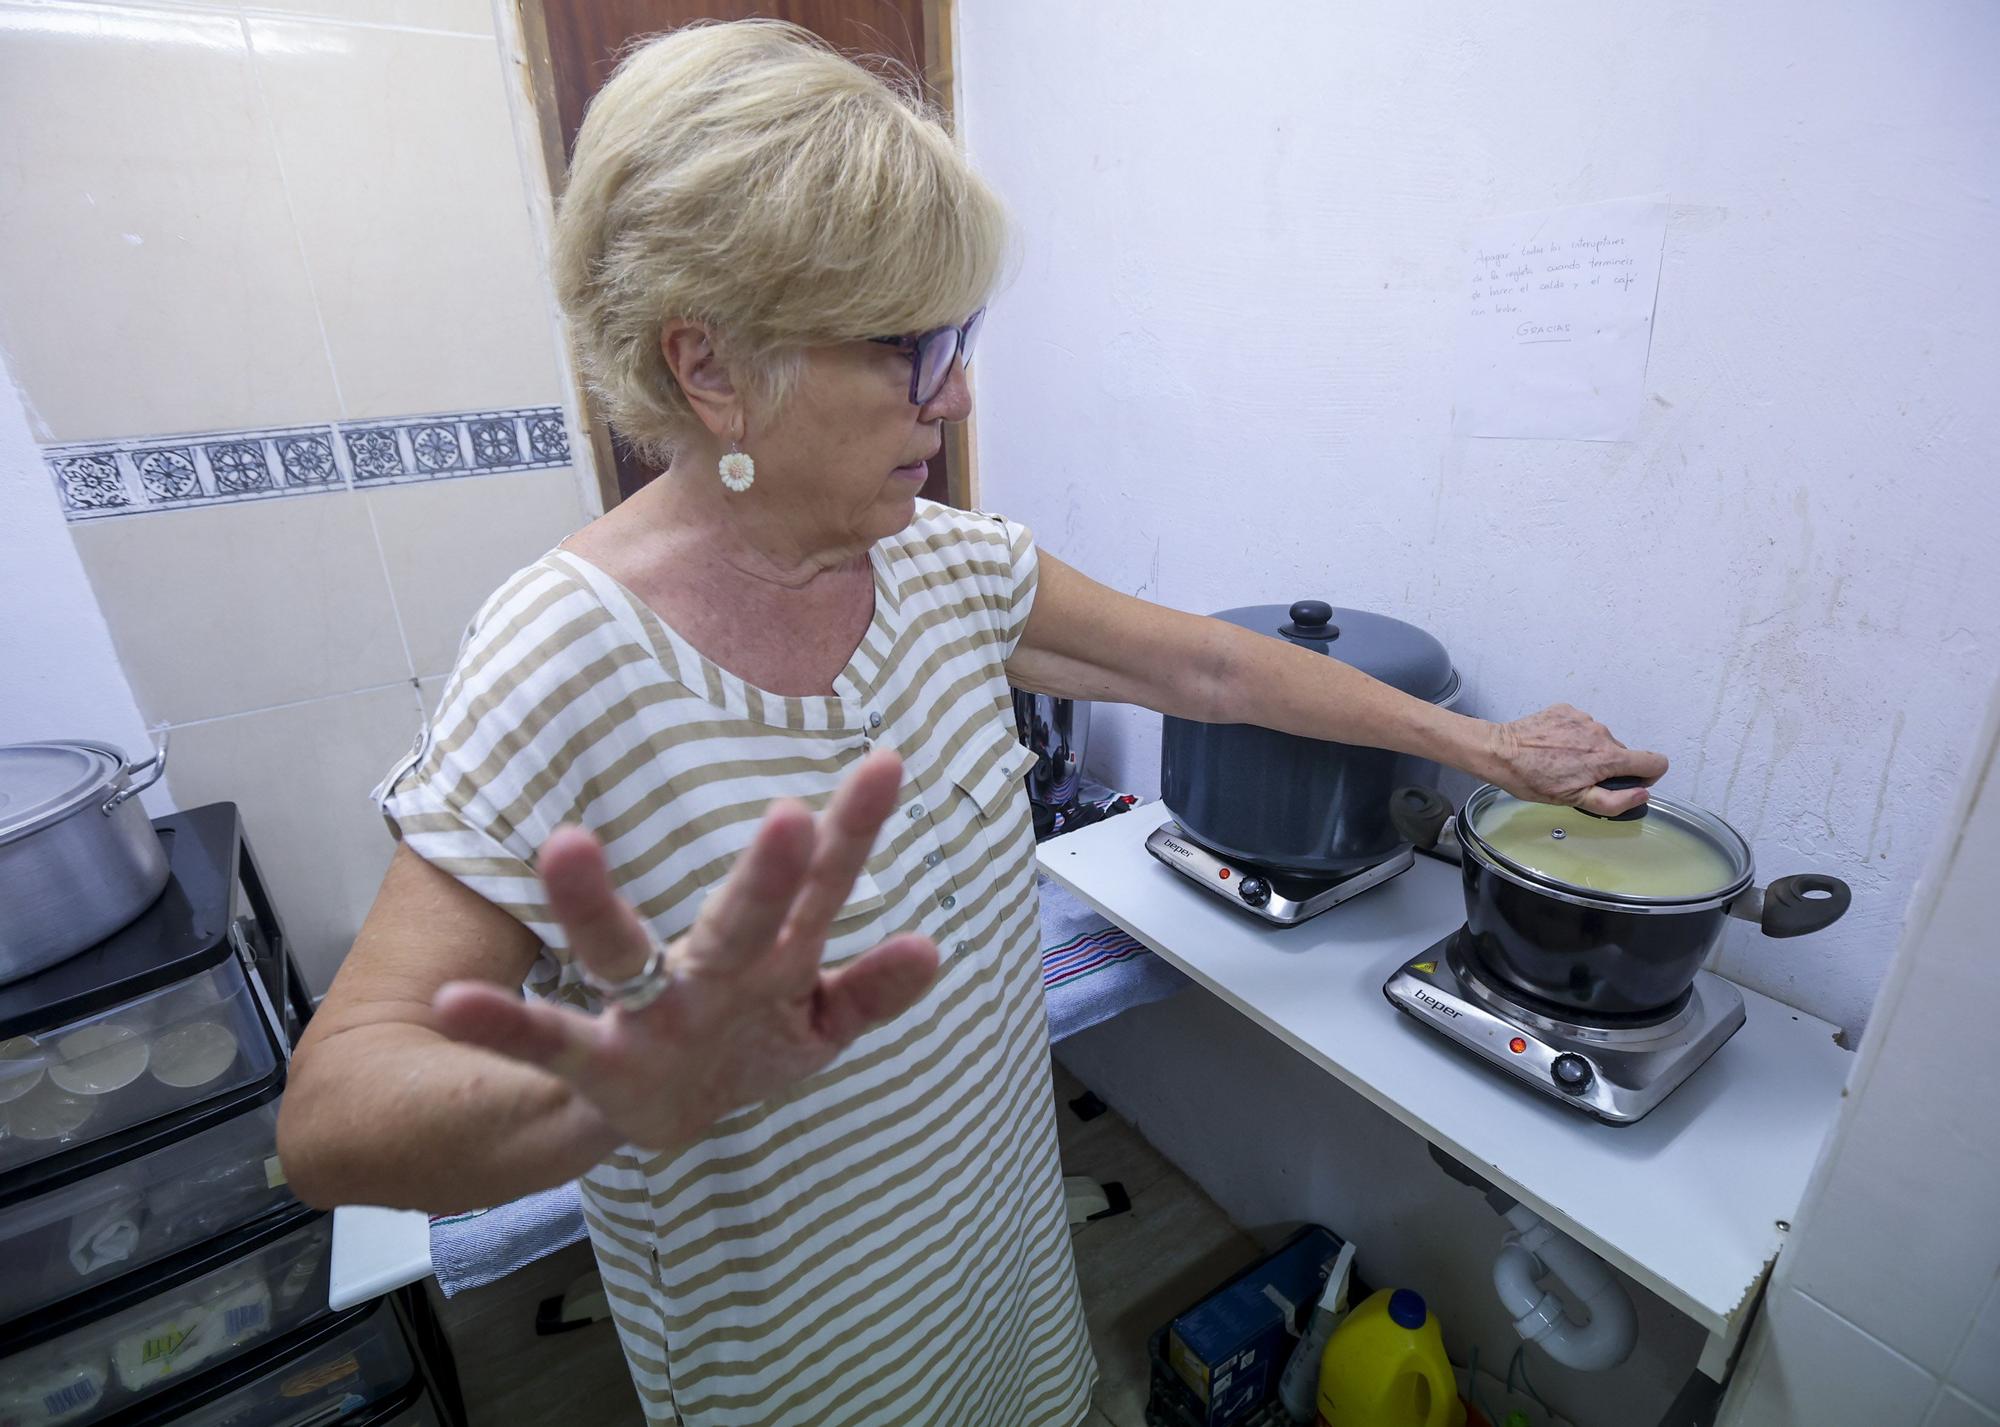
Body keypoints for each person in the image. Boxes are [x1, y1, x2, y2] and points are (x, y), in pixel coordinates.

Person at [275, 20, 1665, 1427]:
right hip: (800, 1372)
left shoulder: (951, 567)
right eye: (909, 347)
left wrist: (1485, 751)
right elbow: (334, 1116)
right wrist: (615, 1101)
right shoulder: (562, 652)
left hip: (1003, 1280)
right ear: (710, 365)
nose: (957, 392)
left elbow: (1220, 672)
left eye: (959, 337)